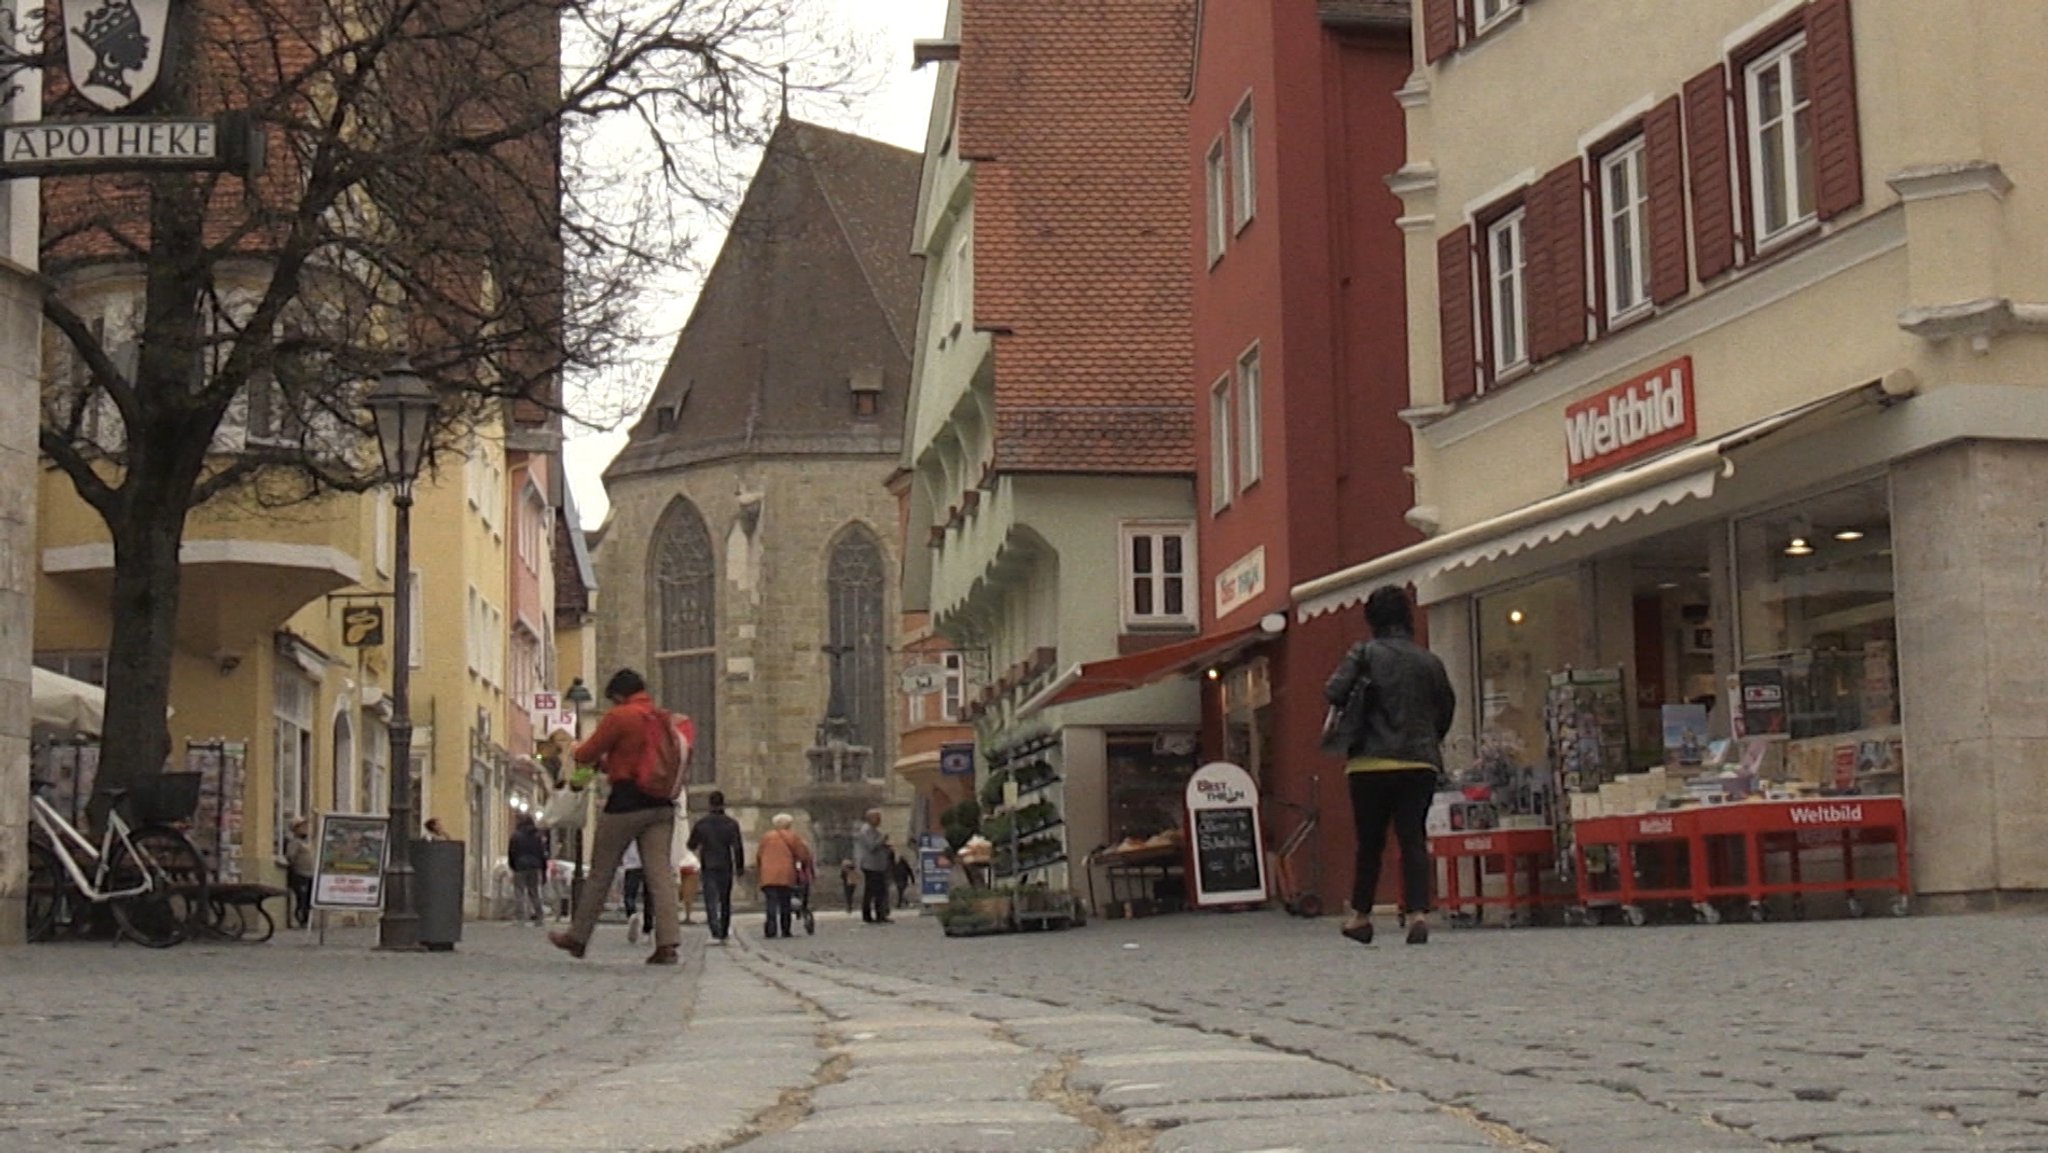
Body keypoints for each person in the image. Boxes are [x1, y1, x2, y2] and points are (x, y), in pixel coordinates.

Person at [1324, 584, 1457, 947]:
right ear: (1406, 618)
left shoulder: (1364, 652)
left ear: (1372, 619)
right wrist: (1429, 740)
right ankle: (1417, 914)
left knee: (1370, 843)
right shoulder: (1429, 661)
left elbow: (1334, 692)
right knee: (1413, 837)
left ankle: (1361, 917)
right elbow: (1445, 708)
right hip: (1419, 760)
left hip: (1370, 761)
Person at [549, 669, 684, 964]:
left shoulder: (621, 716)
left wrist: (574, 748)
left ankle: (578, 937)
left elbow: (587, 753)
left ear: (619, 695)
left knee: (601, 872)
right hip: (662, 804)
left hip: (626, 803)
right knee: (660, 875)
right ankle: (668, 944)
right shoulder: (661, 718)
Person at [687, 790, 745, 943]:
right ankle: (724, 930)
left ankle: (715, 930)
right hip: (725, 864)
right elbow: (738, 847)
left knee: (710, 900)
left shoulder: (702, 823)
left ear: (710, 804)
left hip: (709, 864)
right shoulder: (731, 823)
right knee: (725, 899)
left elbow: (691, 844)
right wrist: (740, 867)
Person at [756, 813, 815, 939]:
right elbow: (802, 855)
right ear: (789, 824)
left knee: (771, 903)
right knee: (785, 903)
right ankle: (785, 929)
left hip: (768, 875)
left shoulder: (766, 837)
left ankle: (771, 929)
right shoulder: (792, 837)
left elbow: (759, 855)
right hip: (785, 874)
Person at [508, 815, 549, 927]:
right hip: (535, 867)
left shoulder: (515, 836)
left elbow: (511, 853)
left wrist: (513, 866)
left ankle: (520, 918)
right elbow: (542, 854)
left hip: (520, 866)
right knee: (534, 892)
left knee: (519, 892)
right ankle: (539, 917)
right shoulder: (538, 836)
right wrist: (543, 869)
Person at [853, 809, 893, 924]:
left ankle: (881, 914)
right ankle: (868, 916)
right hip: (871, 865)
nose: (880, 820)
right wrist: (883, 839)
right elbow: (871, 846)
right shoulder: (866, 830)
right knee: (871, 891)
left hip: (878, 865)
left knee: (880, 891)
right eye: (877, 818)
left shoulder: (873, 830)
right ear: (869, 818)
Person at [282, 817, 314, 929]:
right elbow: (290, 856)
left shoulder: (306, 842)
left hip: (310, 874)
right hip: (300, 873)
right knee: (301, 898)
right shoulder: (295, 842)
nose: (305, 829)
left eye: (306, 826)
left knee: (309, 899)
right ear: (295, 829)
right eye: (302, 827)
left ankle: (307, 918)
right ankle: (300, 919)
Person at [621, 840, 654, 944]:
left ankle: (632, 914)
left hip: (631, 865)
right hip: (649, 863)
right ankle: (647, 931)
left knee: (629, 895)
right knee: (649, 899)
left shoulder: (628, 829)